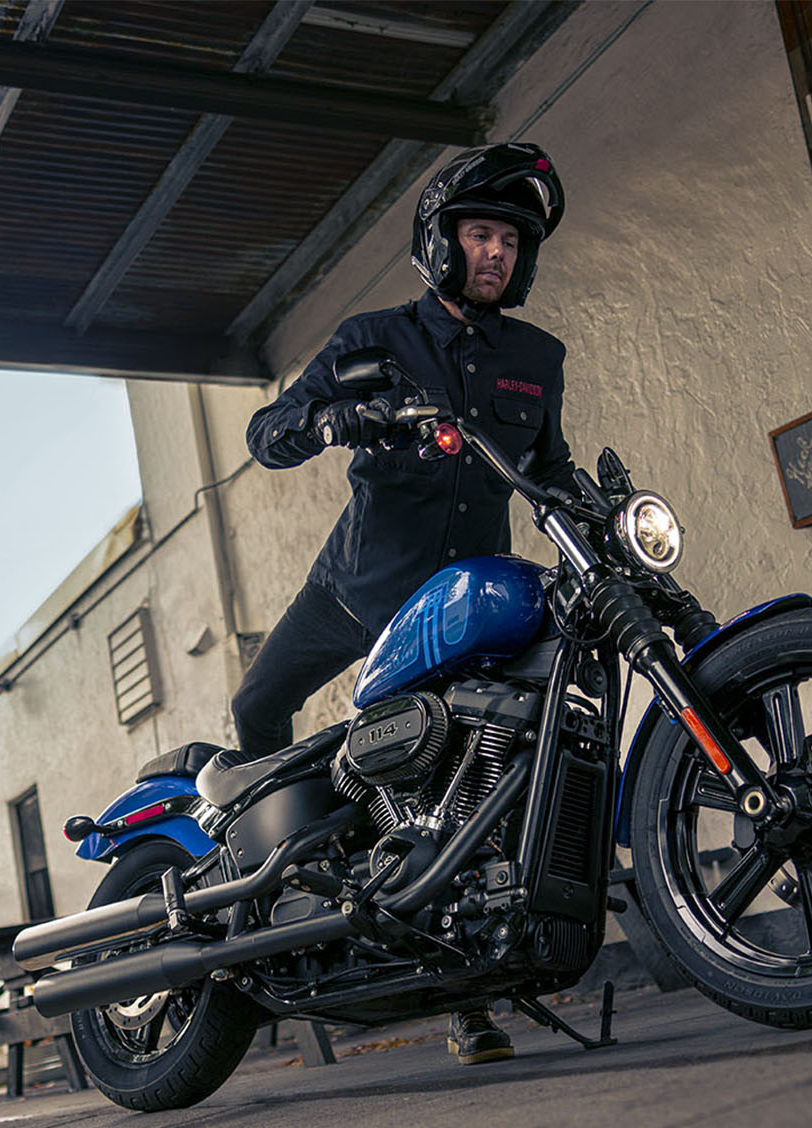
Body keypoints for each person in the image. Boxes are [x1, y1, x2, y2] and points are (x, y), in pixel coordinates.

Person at [234, 142, 574, 1066]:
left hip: (462, 610)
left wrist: (596, 510)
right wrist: (324, 419)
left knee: (466, 785)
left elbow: (550, 470)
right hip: (357, 590)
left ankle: (465, 998)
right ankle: (279, 889)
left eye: (509, 237)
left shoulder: (537, 360)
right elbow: (267, 433)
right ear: (442, 244)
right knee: (256, 706)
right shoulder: (372, 339)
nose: (497, 251)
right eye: (480, 233)